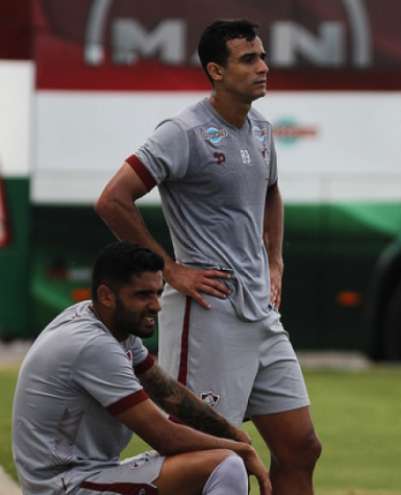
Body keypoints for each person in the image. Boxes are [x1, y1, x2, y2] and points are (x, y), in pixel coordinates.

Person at [95, 19, 321, 494]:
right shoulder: (184, 131)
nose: (263, 67)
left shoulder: (261, 129)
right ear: (216, 71)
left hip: (261, 314)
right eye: (248, 59)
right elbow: (113, 199)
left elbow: (272, 192)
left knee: (301, 448)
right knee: (203, 452)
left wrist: (275, 261)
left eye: (262, 56)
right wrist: (170, 270)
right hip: (209, 314)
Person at [12, 241, 271, 495]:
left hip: (91, 475)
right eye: (143, 295)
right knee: (226, 466)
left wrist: (232, 434)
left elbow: (168, 392)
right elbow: (163, 436)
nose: (157, 305)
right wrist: (241, 450)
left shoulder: (107, 324)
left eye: (158, 293)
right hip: (68, 485)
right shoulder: (93, 345)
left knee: (216, 456)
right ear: (106, 296)